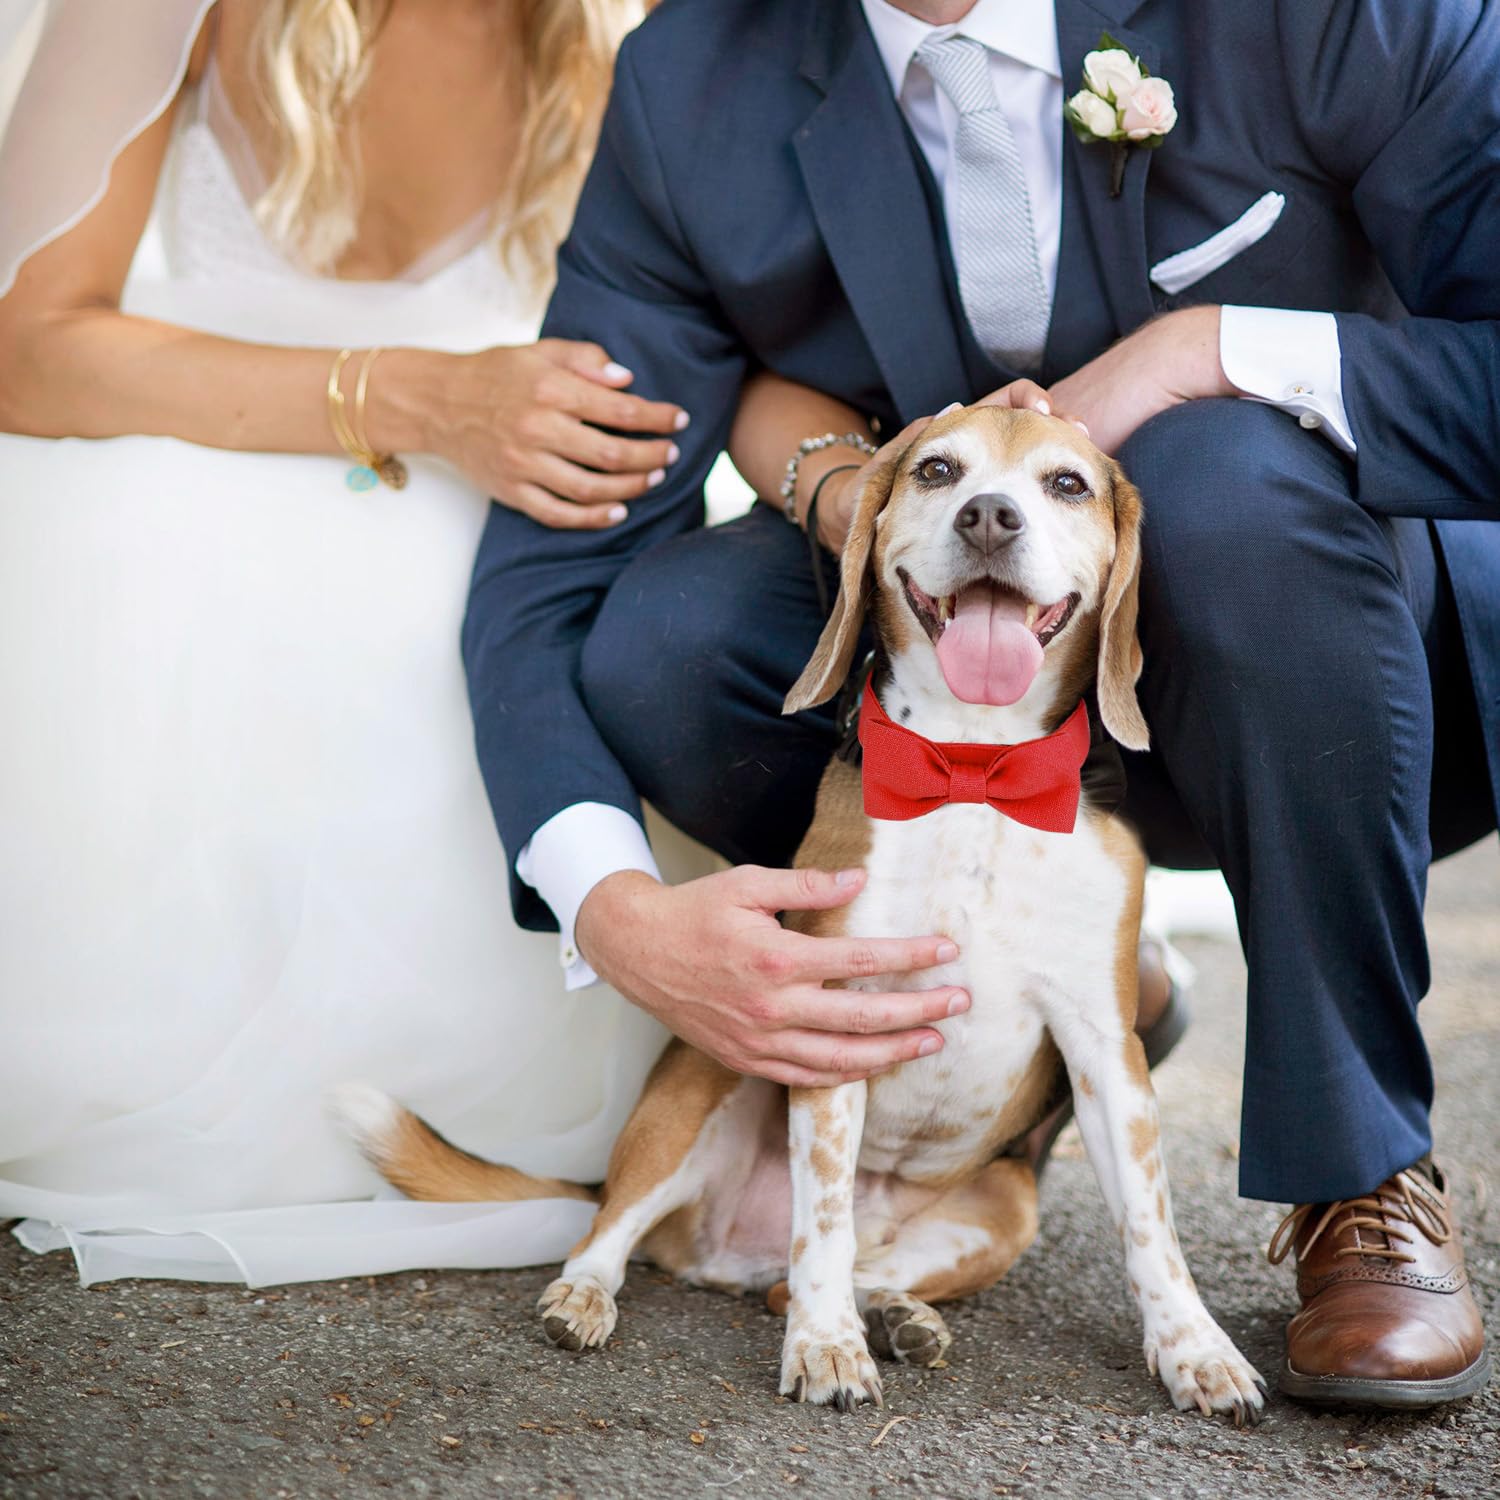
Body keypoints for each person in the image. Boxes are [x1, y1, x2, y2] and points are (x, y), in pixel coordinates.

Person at [465, 0, 1499, 1406]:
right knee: (669, 637)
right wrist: (614, 910)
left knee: (1221, 493)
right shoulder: (690, 78)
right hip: (958, 655)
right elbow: (554, 576)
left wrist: (1203, 349)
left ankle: (1362, 1165)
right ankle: (1014, 1012)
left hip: (1324, 640)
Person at [0, 0, 712, 1286]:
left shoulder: (646, 24)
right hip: (190, 435)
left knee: (600, 612)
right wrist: (415, 398)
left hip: (514, 481)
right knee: (181, 562)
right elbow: (25, 345)